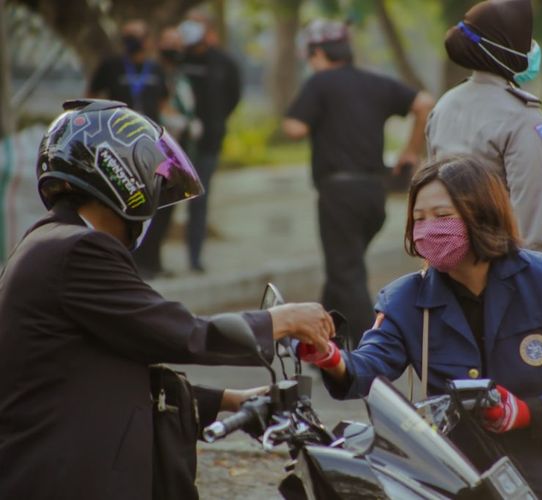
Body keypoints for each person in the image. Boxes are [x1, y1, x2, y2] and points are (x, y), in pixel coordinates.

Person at [0, 100, 334, 499]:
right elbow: (178, 332)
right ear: (125, 174)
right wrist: (282, 319)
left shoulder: (53, 241)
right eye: (157, 187)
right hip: (66, 479)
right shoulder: (78, 250)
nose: (156, 206)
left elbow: (113, 368)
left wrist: (230, 401)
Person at [300, 156, 542, 499]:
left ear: (482, 214)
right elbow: (366, 367)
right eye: (418, 219)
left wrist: (524, 412)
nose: (428, 229)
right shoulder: (407, 299)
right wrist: (329, 356)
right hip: (471, 483)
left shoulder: (540, 279)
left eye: (442, 216)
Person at [282, 19, 435, 346]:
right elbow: (424, 103)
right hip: (373, 194)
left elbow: (293, 127)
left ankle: (373, 353)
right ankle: (320, 342)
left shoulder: (320, 83)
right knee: (343, 270)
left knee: (347, 274)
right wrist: (410, 152)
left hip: (339, 195)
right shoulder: (375, 82)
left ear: (318, 53)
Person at [426, 0, 542, 280]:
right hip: (504, 277)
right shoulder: (521, 116)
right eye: (525, 40)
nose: (532, 49)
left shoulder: (444, 106)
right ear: (506, 47)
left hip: (451, 270)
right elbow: (537, 223)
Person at [133, 26, 202, 279]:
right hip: (154, 150)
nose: (175, 48)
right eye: (169, 42)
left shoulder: (180, 76)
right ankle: (142, 262)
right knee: (151, 207)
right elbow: (159, 107)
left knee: (169, 207)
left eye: (178, 43)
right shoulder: (153, 73)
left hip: (177, 151)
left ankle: (154, 261)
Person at [178, 14, 241, 273]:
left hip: (207, 143)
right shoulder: (178, 60)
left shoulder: (224, 63)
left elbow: (233, 98)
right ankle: (147, 259)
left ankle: (195, 258)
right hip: (172, 142)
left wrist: (213, 124)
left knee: (199, 201)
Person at [87, 19, 168, 123]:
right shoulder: (110, 66)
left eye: (135, 36)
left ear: (147, 40)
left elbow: (163, 101)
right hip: (117, 127)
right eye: (127, 36)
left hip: (149, 129)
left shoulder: (157, 69)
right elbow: (91, 95)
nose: (130, 40)